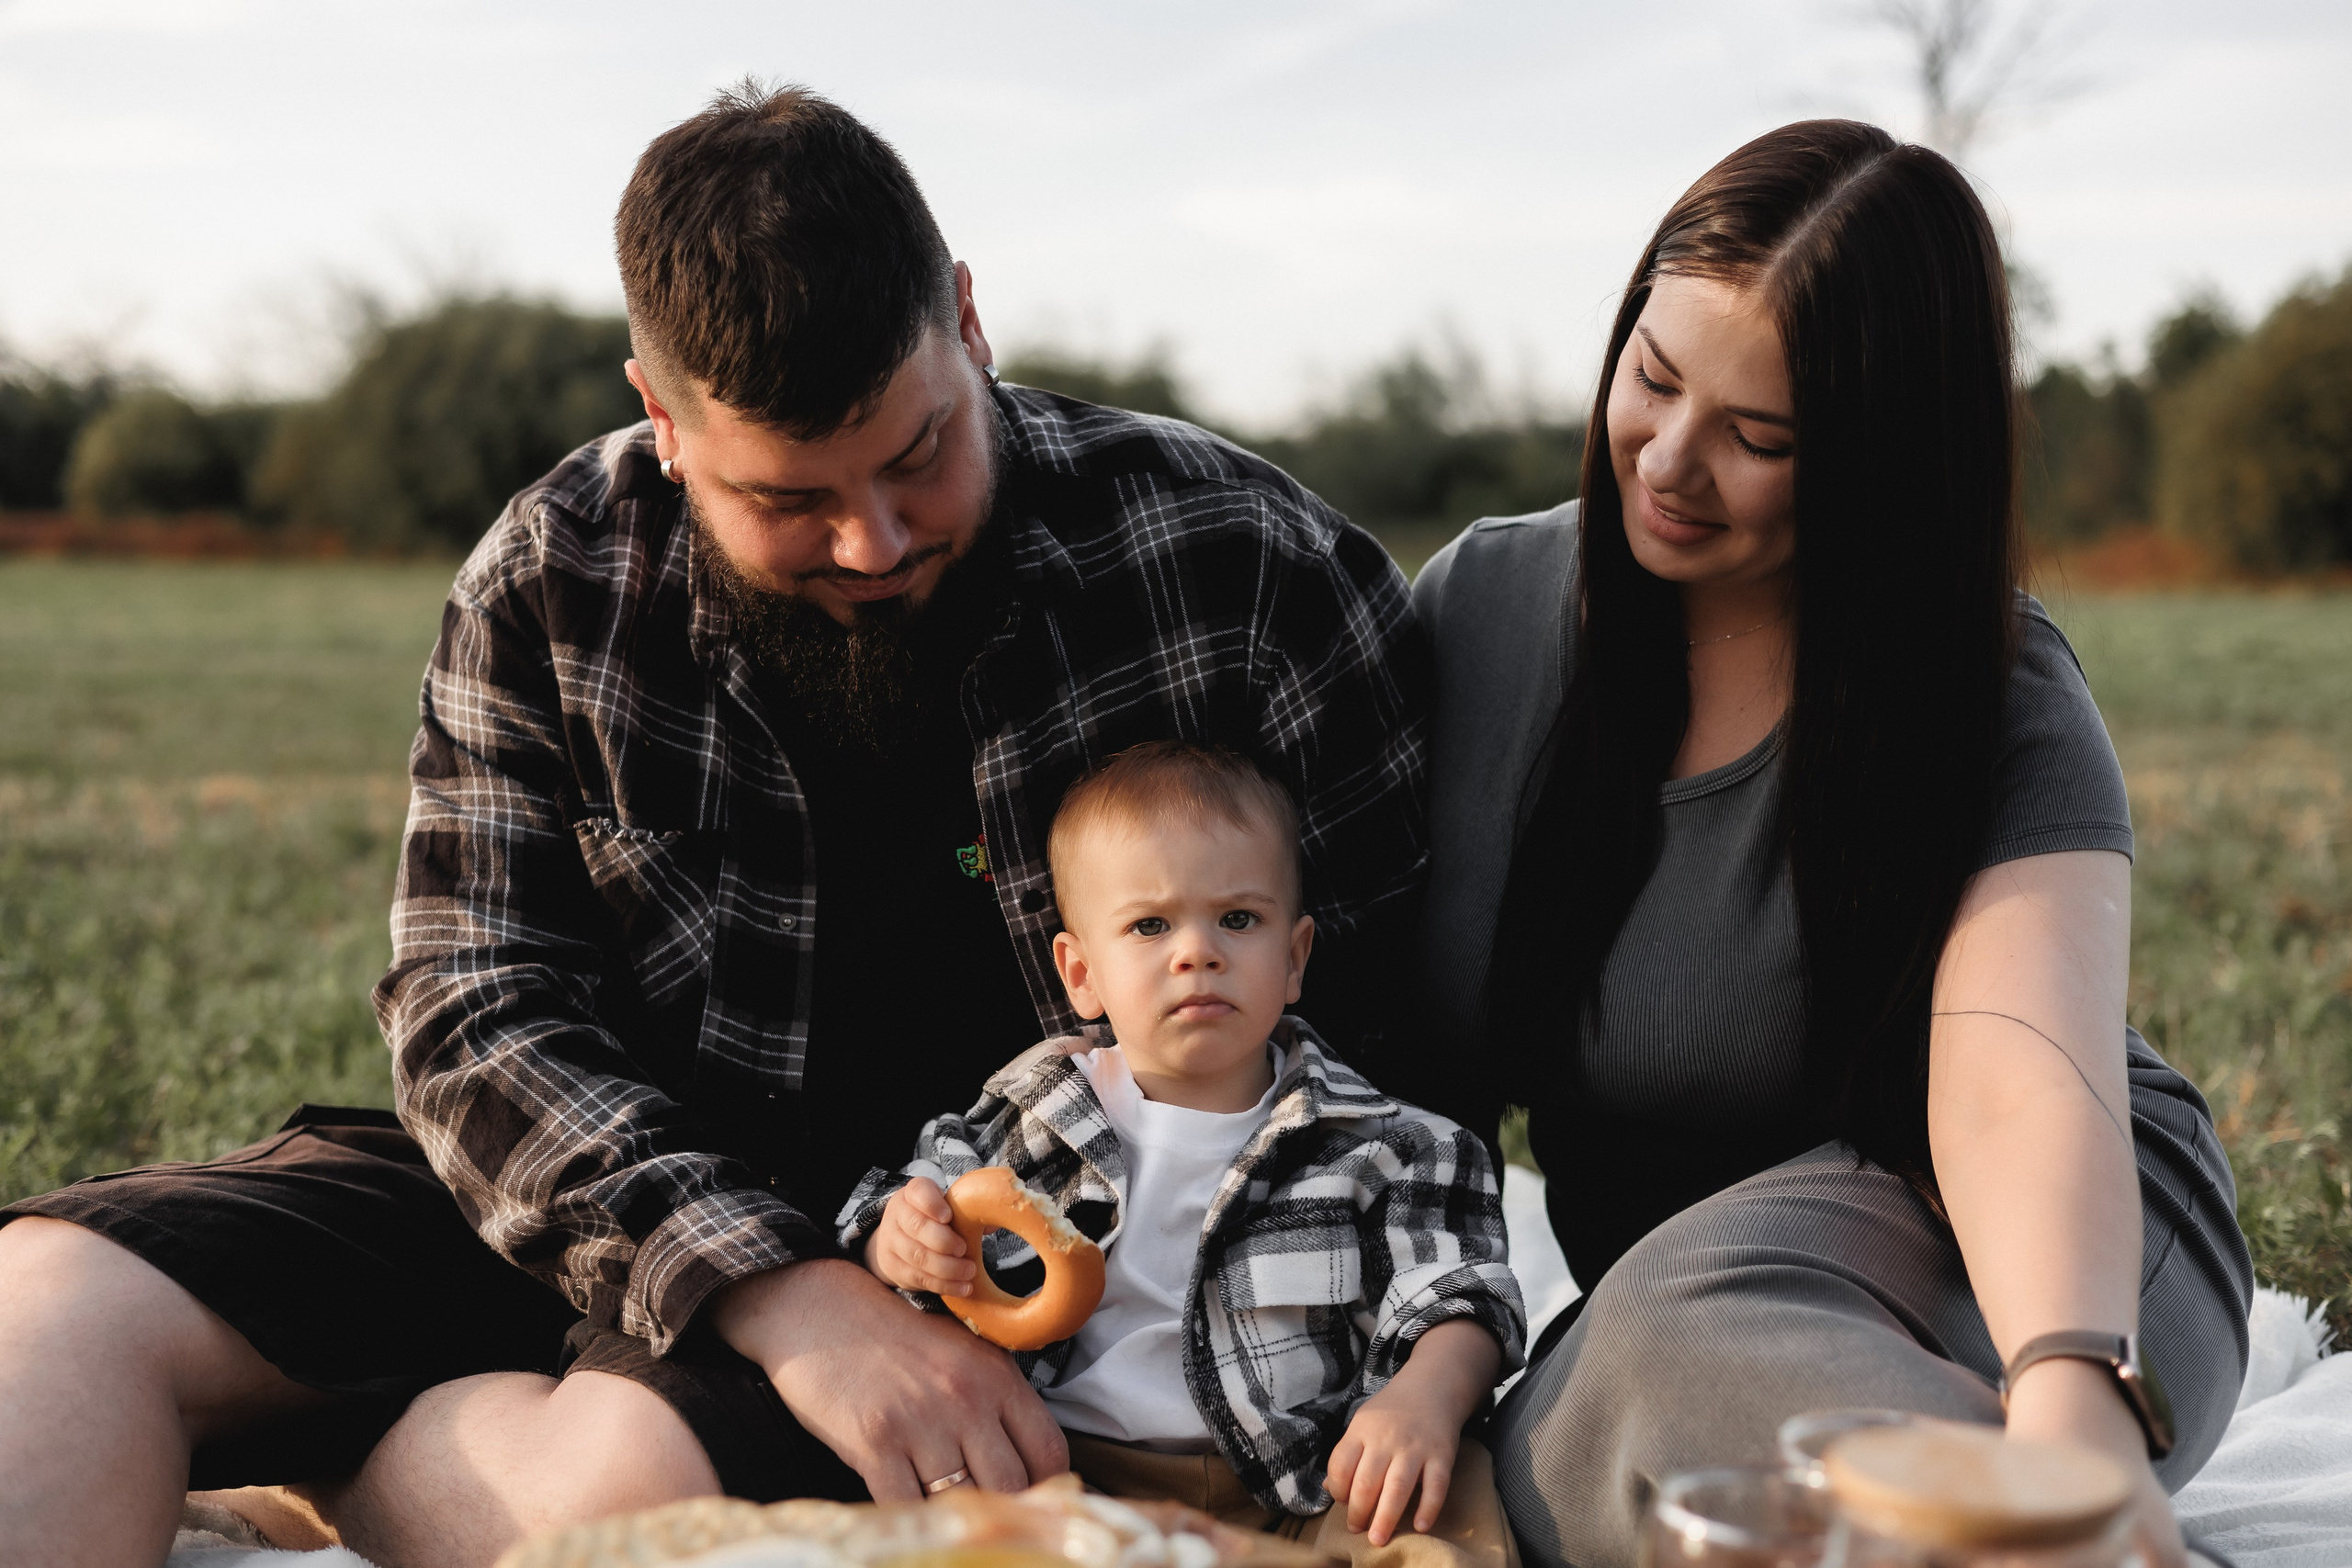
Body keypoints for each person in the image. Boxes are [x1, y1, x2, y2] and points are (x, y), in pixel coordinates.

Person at [0, 85, 1430, 1568]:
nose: (873, 538)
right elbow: (474, 1008)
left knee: (617, 1505)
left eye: (919, 450)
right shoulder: (552, 577)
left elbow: (1388, 1016)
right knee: (46, 1302)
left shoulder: (1251, 568)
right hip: (591, 1183)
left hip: (974, 1265)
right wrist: (776, 1286)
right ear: (661, 419)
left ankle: (340, 1457)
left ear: (968, 319)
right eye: (792, 497)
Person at [1408, 121, 2252, 1568]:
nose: (1670, 460)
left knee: (1692, 1369)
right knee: (1583, 1419)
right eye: (1654, 377)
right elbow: (1383, 1068)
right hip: (1698, 1318)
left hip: (2034, 1250)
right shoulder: (1486, 610)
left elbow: (2014, 1096)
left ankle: (2049, 1521)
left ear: (1884, 456)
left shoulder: (1997, 694)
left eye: (1762, 437)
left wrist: (2072, 1402)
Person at [843, 742, 1523, 1568]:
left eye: (1238, 918)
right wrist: (900, 1236)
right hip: (1073, 1480)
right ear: (1082, 972)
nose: (1196, 950)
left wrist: (1424, 1397)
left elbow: (1460, 1291)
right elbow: (916, 1194)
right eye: (1150, 924)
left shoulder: (1384, 1144)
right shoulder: (1036, 1114)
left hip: (1309, 1480)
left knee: (1443, 1511)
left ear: (1295, 956)